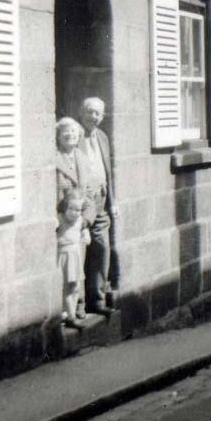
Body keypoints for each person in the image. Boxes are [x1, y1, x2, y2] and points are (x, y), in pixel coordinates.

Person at [77, 97, 119, 316]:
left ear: (102, 117)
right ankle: (79, 303)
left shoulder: (102, 137)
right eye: (90, 112)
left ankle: (97, 299)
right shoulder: (74, 136)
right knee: (80, 250)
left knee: (102, 248)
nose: (93, 117)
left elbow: (108, 172)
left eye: (98, 114)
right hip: (84, 204)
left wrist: (113, 202)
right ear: (81, 112)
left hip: (102, 202)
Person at [56, 117, 95, 320]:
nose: (70, 135)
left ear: (79, 135)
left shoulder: (82, 157)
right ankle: (65, 314)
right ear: (58, 135)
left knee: (77, 272)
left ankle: (77, 310)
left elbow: (89, 192)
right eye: (66, 132)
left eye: (73, 131)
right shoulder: (55, 159)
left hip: (80, 222)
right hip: (63, 225)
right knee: (64, 274)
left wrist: (86, 221)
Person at [57, 189, 91, 329]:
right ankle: (70, 316)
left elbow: (86, 236)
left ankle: (69, 312)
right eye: (71, 209)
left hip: (75, 255)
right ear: (65, 207)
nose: (75, 213)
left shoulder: (80, 221)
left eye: (78, 210)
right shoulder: (59, 219)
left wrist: (85, 236)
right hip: (64, 256)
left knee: (76, 286)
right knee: (68, 287)